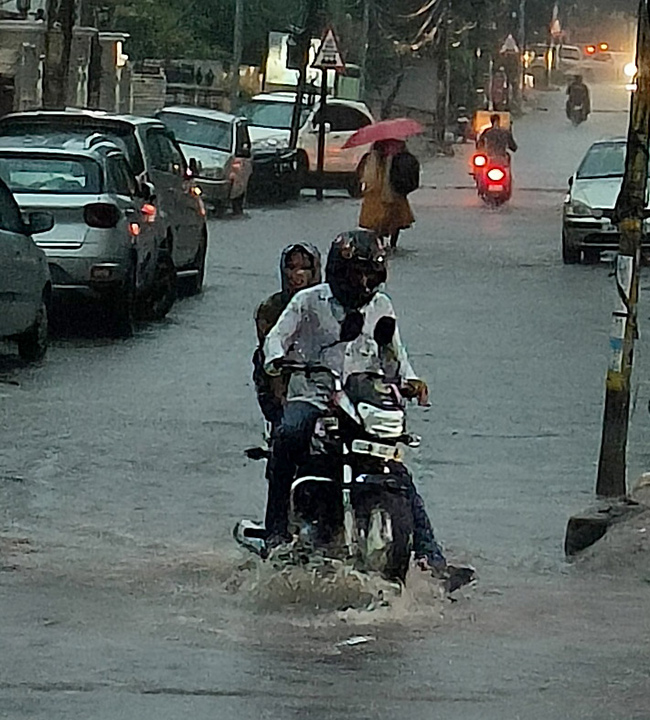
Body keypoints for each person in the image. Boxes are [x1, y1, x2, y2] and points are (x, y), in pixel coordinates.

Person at [262, 229, 446, 571]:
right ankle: (275, 532)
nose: (362, 281)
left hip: (361, 402)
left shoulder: (381, 305)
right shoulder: (308, 302)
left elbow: (395, 354)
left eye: (368, 274)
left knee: (396, 468)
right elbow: (277, 338)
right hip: (314, 397)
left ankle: (431, 556)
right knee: (288, 435)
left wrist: (411, 382)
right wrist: (276, 360)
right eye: (356, 273)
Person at [253, 243, 321, 426]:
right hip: (285, 377)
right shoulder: (270, 308)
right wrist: (280, 395)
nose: (297, 274)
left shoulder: (329, 305)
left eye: (305, 268)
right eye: (291, 268)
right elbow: (270, 353)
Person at [358, 139, 419, 249]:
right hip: (395, 189)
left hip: (376, 191)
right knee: (395, 218)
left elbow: (365, 175)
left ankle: (380, 242)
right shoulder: (399, 145)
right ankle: (392, 244)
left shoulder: (375, 149)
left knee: (377, 220)